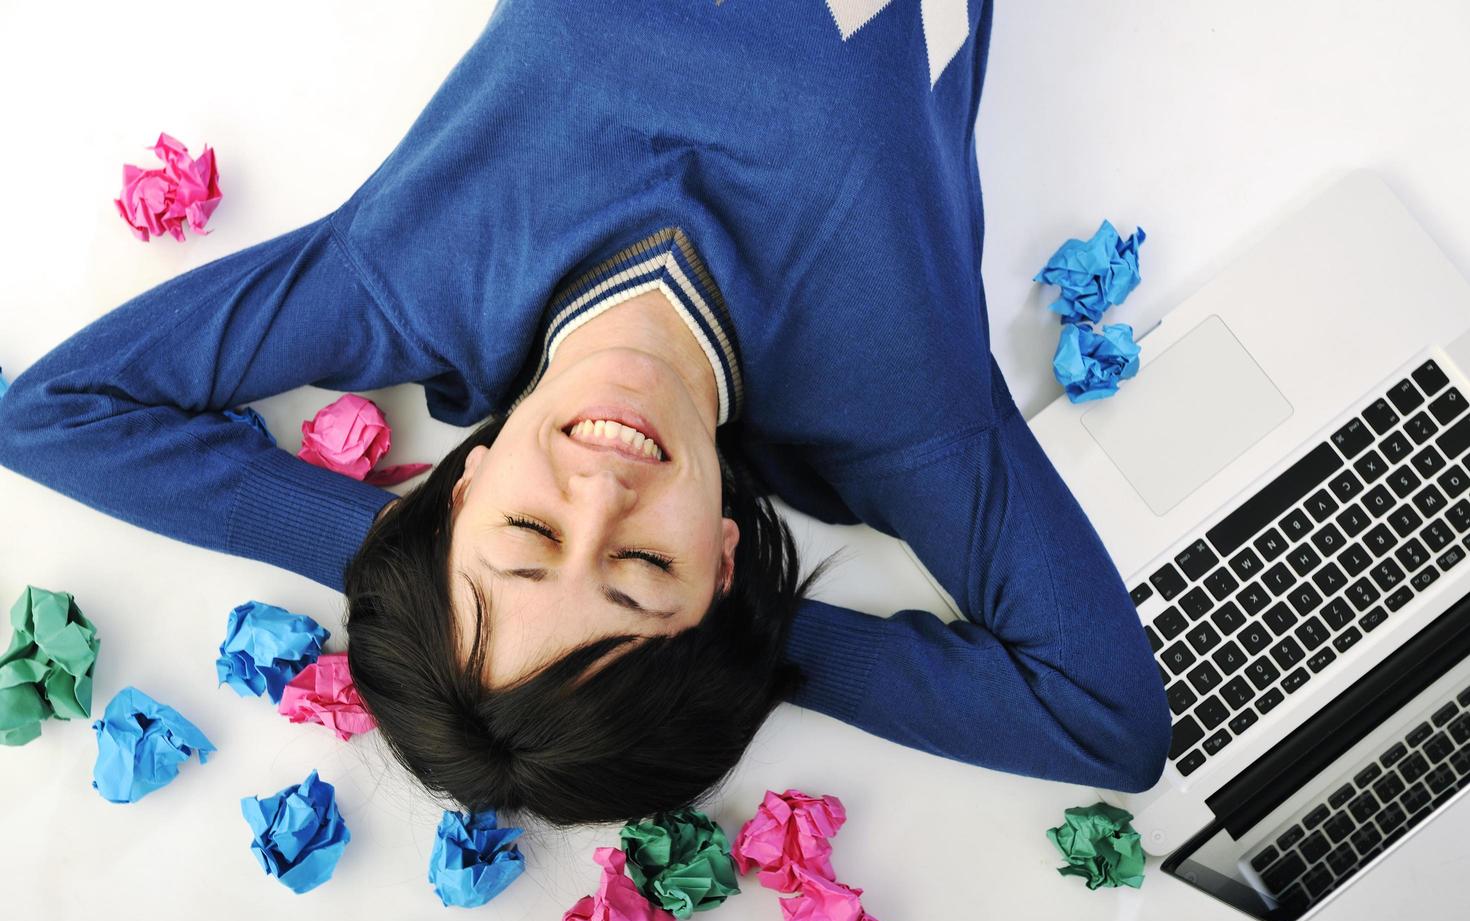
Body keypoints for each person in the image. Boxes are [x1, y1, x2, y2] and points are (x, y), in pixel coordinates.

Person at [0, 0, 1170, 828]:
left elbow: (53, 415)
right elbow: (1106, 720)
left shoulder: (417, 272)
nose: (601, 493)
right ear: (721, 565)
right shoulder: (900, 401)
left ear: (463, 486)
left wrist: (406, 573)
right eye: (639, 568)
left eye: (526, 538)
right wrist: (731, 648)